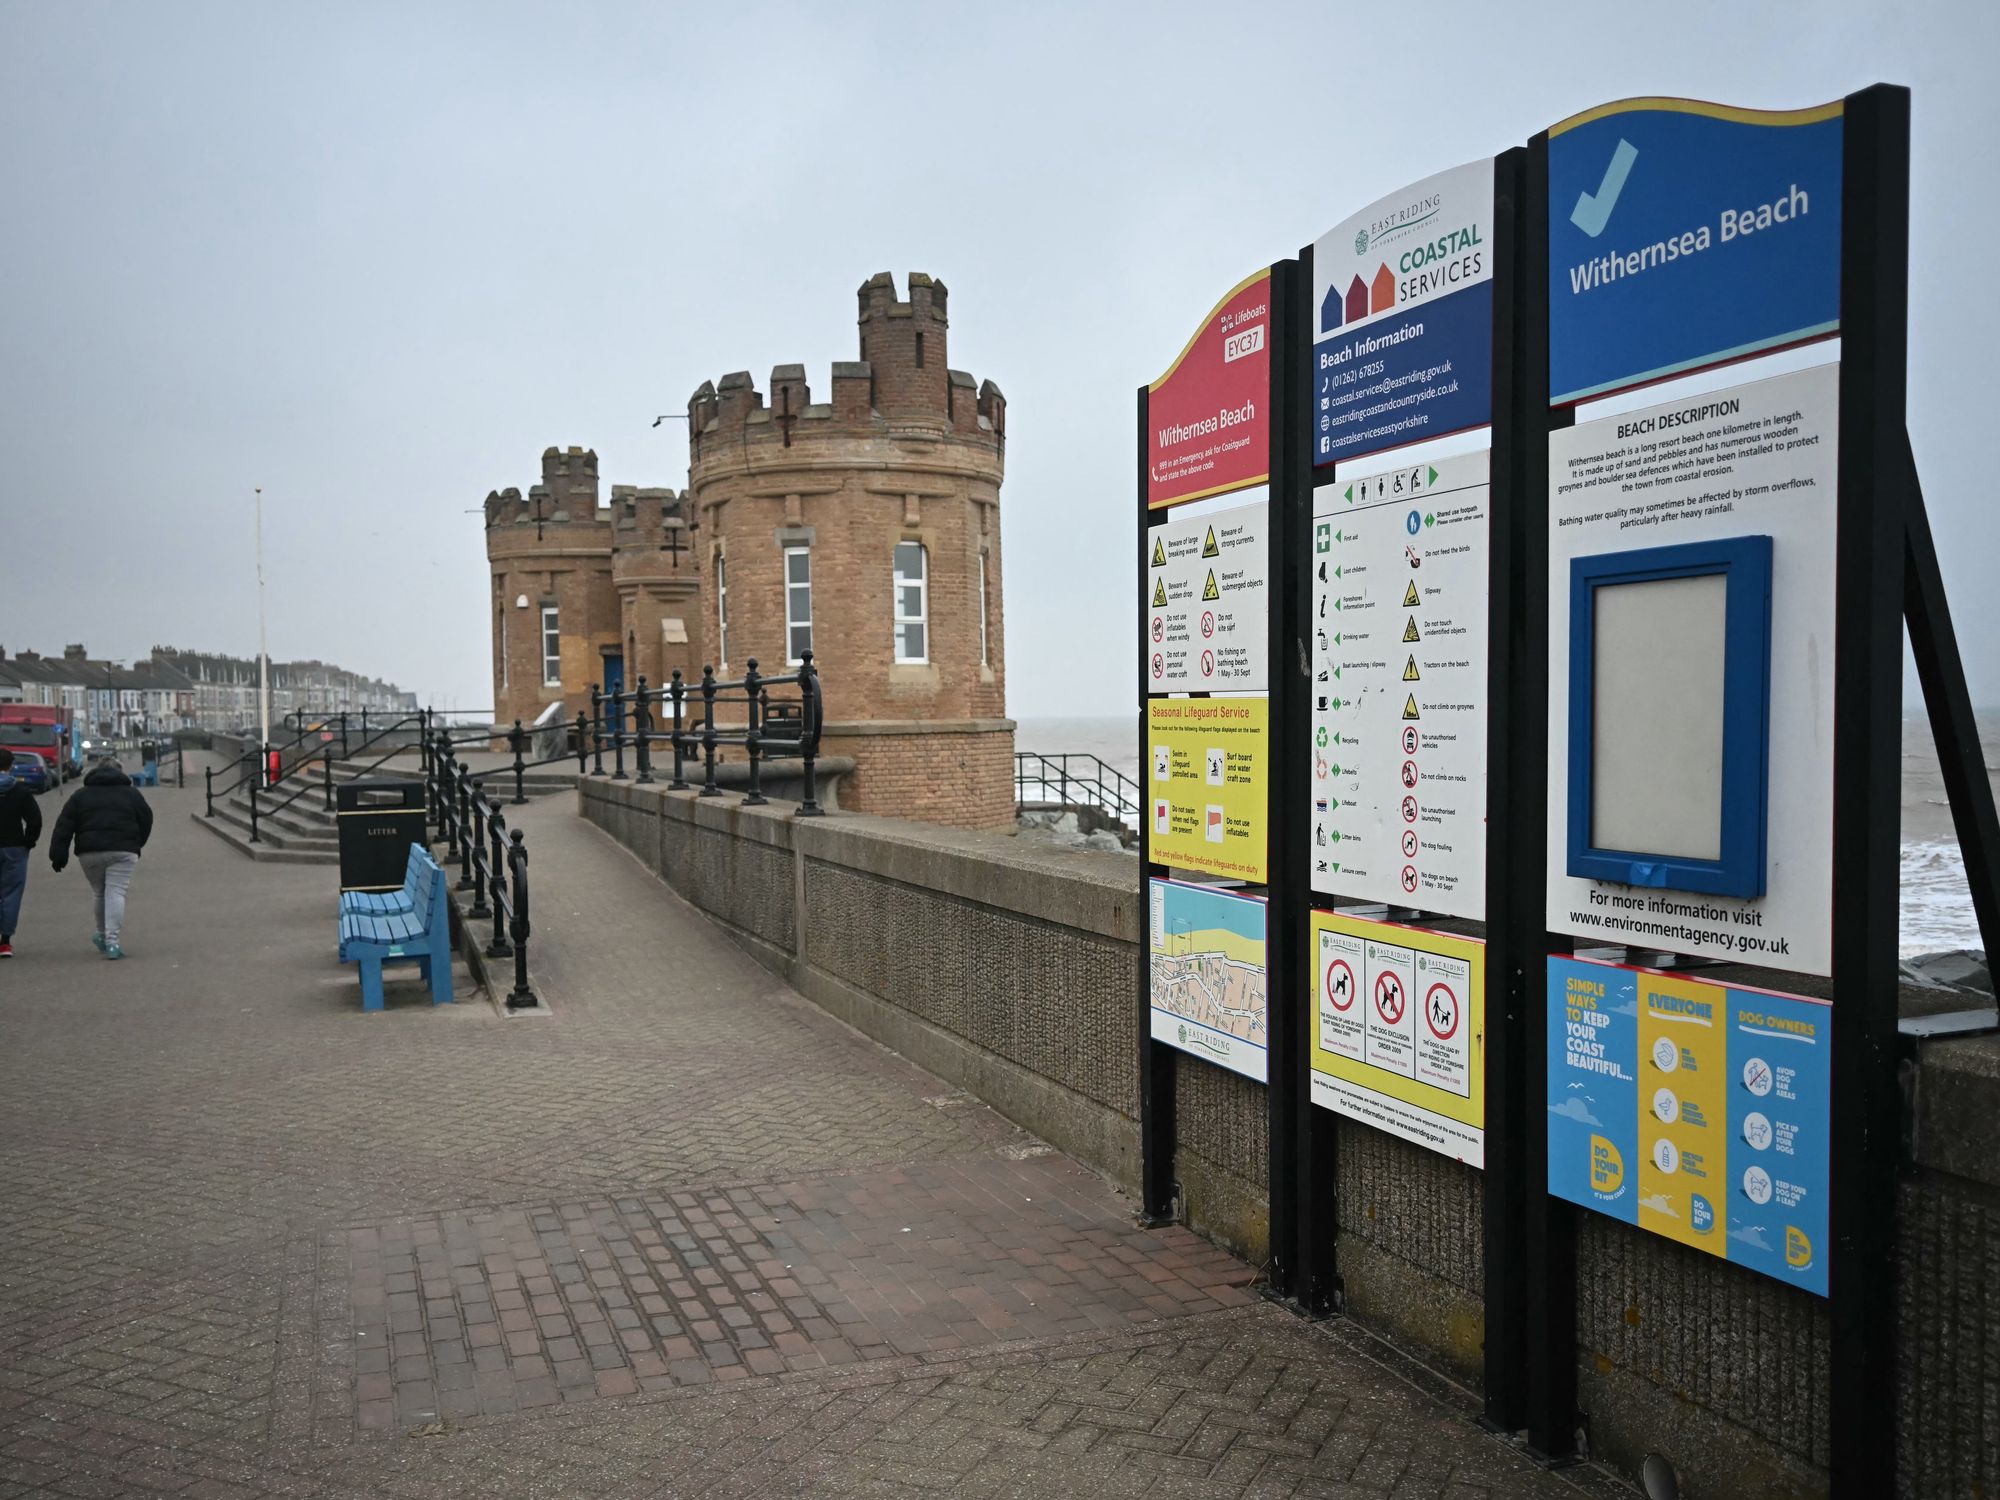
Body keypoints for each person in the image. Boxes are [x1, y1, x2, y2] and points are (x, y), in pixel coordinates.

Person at [49, 756, 153, 960]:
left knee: (99, 892)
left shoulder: (80, 796)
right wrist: (137, 842)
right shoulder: (132, 794)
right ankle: (112, 942)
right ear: (120, 772)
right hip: (123, 851)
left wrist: (58, 854)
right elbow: (146, 819)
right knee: (116, 893)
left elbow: (64, 825)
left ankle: (103, 936)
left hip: (90, 852)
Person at [0, 748, 43, 957]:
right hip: (14, 847)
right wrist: (28, 842)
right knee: (11, 893)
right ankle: (5, 941)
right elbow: (34, 820)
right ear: (10, 766)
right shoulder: (20, 791)